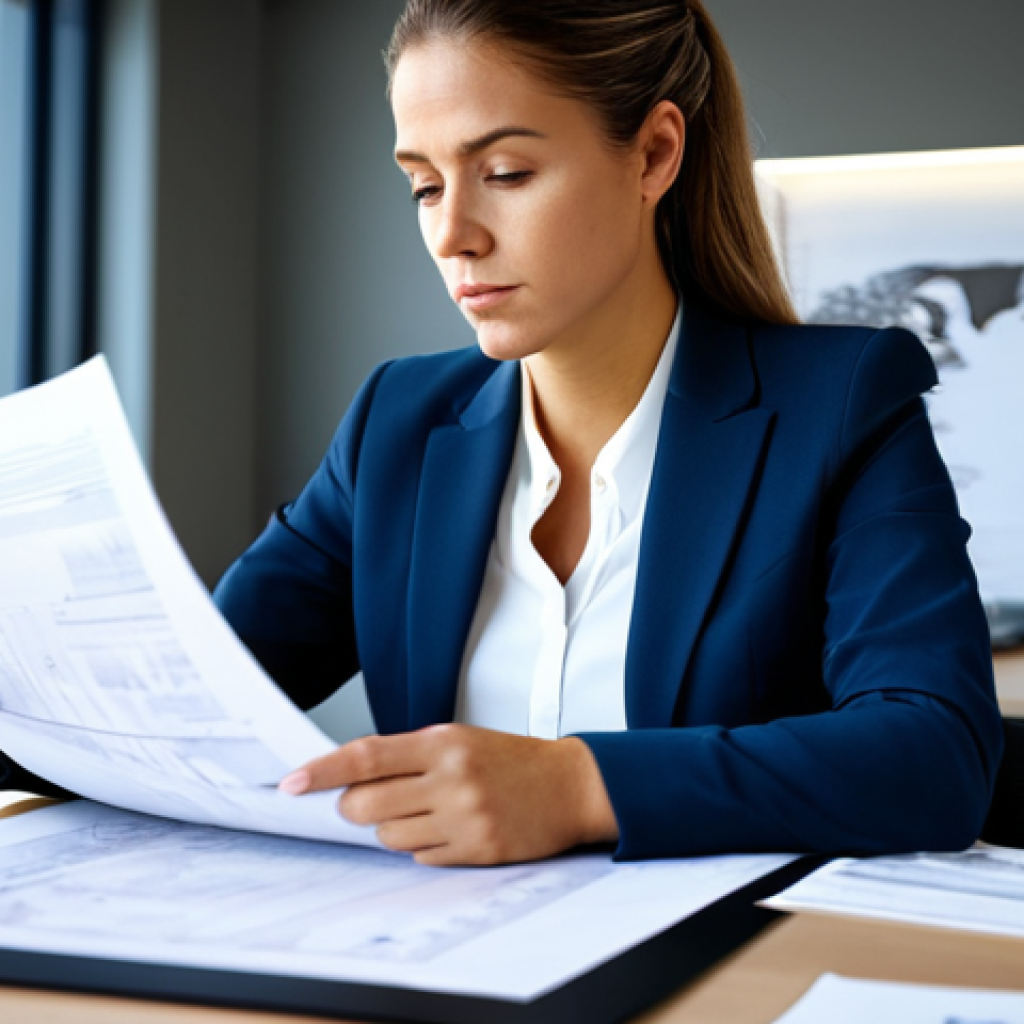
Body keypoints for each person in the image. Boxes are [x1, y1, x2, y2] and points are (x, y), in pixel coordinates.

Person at [214, 0, 1004, 866]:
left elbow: (934, 757)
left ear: (655, 154)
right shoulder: (396, 423)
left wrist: (578, 786)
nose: (452, 235)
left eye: (507, 172)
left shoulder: (844, 402)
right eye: (425, 185)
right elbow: (189, 702)